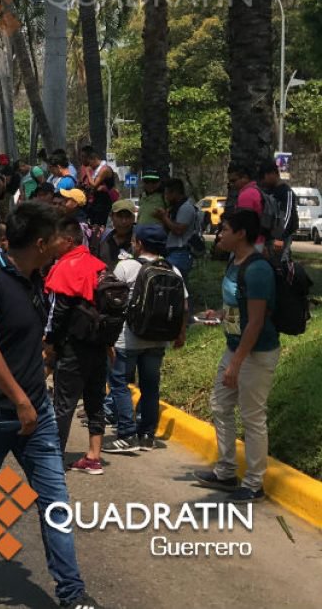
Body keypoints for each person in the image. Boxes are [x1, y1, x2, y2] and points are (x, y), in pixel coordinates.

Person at [0, 202, 98, 609]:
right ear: (39, 242)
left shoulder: (38, 278)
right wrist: (19, 400)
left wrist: (43, 367)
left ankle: (71, 593)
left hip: (36, 410)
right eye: (57, 237)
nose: (63, 242)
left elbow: (30, 339)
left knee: (55, 501)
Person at [194, 209, 281, 502]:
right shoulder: (235, 262)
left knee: (253, 417)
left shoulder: (258, 269)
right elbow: (238, 309)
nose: (220, 234)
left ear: (241, 233)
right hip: (234, 347)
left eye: (225, 229)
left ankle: (254, 484)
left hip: (254, 354)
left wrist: (237, 362)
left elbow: (256, 322)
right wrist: (218, 315)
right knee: (219, 405)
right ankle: (226, 471)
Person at [103, 225, 188, 453]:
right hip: (158, 340)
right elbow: (183, 306)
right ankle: (147, 435)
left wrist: (106, 335)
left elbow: (111, 300)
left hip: (128, 338)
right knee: (151, 386)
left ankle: (127, 434)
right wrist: (180, 334)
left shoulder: (126, 266)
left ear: (138, 243)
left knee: (120, 384)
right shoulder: (174, 270)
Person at [44, 216, 110, 474]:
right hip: (98, 344)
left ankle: (54, 457)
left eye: (56, 239)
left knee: (64, 403)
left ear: (68, 241)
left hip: (73, 345)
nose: (52, 243)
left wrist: (50, 344)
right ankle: (94, 457)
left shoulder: (65, 267)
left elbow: (57, 313)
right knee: (95, 400)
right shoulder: (98, 265)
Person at [155, 178, 198, 282]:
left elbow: (179, 230)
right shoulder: (175, 208)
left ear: (174, 193)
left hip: (181, 252)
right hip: (172, 251)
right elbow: (169, 230)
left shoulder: (185, 208)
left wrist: (164, 217)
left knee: (172, 283)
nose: (166, 198)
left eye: (167, 194)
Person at [257, 159, 298, 261]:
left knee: (280, 266)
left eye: (264, 177)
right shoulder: (266, 191)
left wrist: (279, 237)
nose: (262, 181)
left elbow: (288, 216)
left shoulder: (286, 192)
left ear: (272, 174)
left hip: (281, 238)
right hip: (267, 237)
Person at [97, 199, 136, 270]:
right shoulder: (104, 241)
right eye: (120, 216)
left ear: (133, 218)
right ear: (112, 217)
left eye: (127, 216)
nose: (124, 221)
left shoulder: (140, 242)